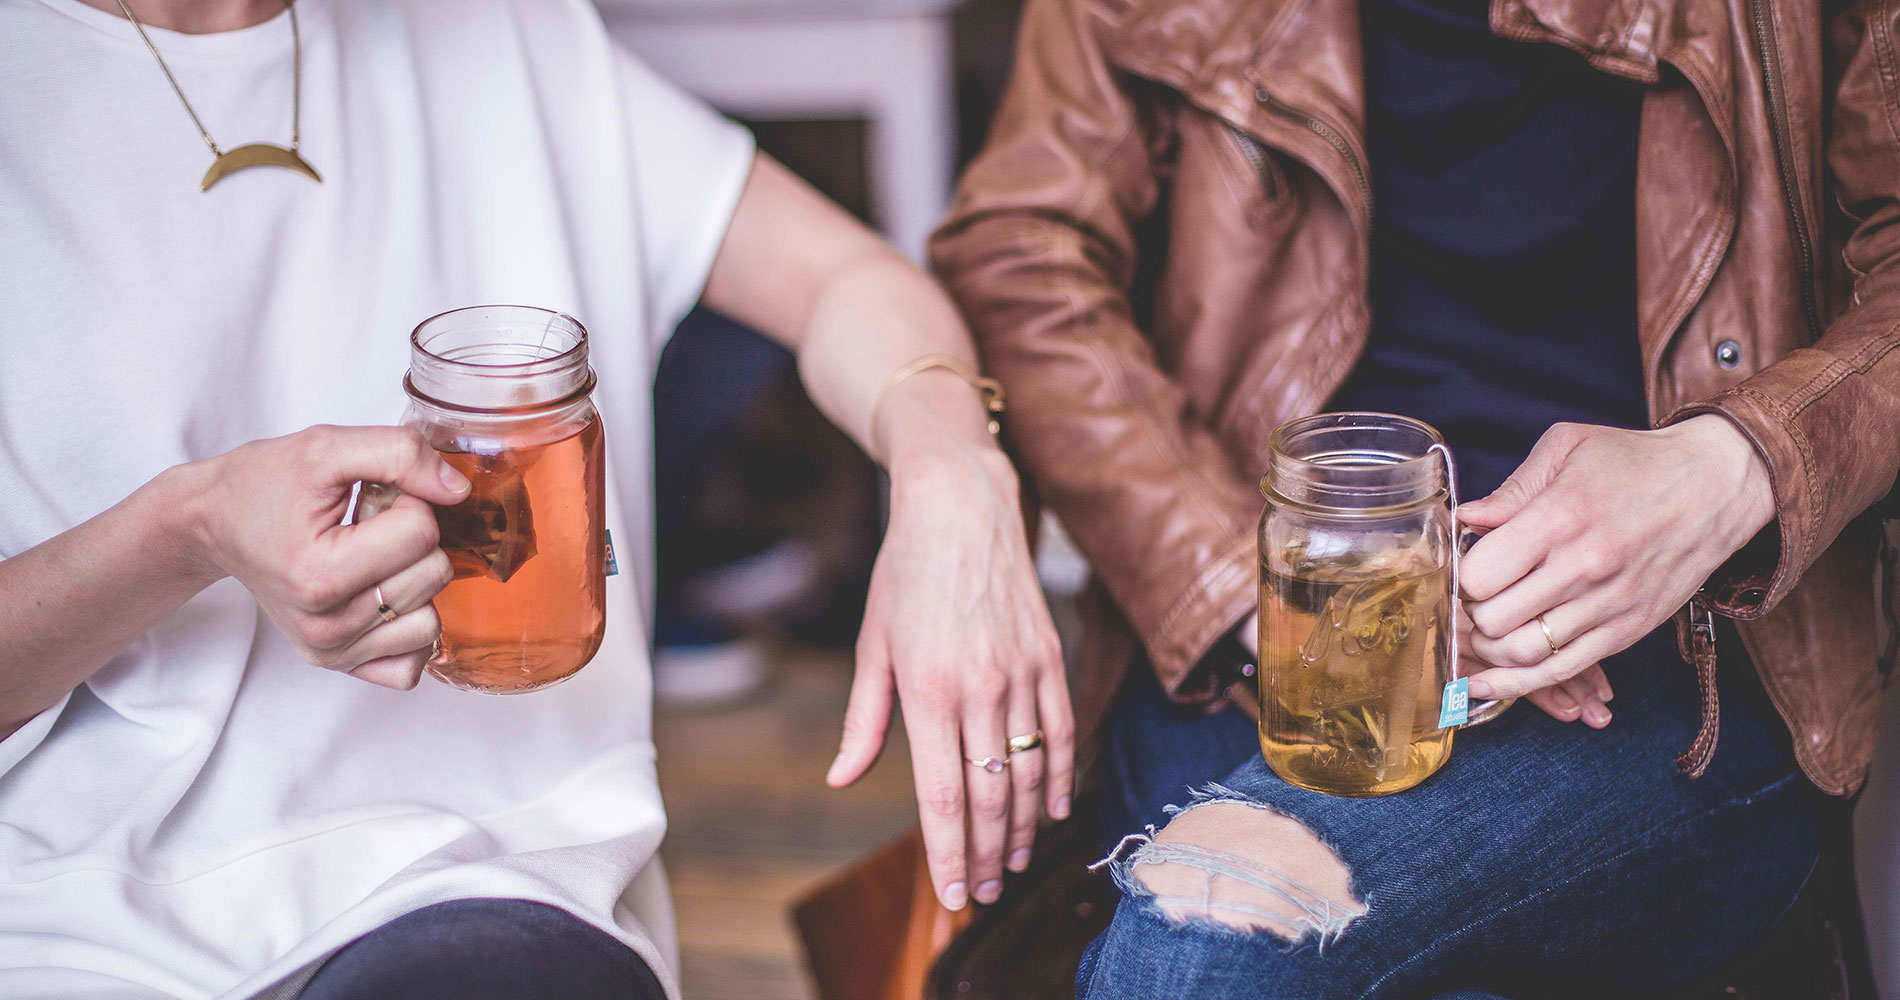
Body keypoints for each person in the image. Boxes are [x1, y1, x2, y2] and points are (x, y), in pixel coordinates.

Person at [0, 0, 1072, 996]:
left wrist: (948, 463)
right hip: (77, 928)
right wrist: (189, 529)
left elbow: (846, 279)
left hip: (478, 891)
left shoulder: (497, 32)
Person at [932, 0, 1897, 994]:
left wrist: (1732, 465)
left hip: (1678, 646)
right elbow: (1023, 252)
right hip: (1266, 631)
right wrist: (1243, 580)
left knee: (1207, 946)